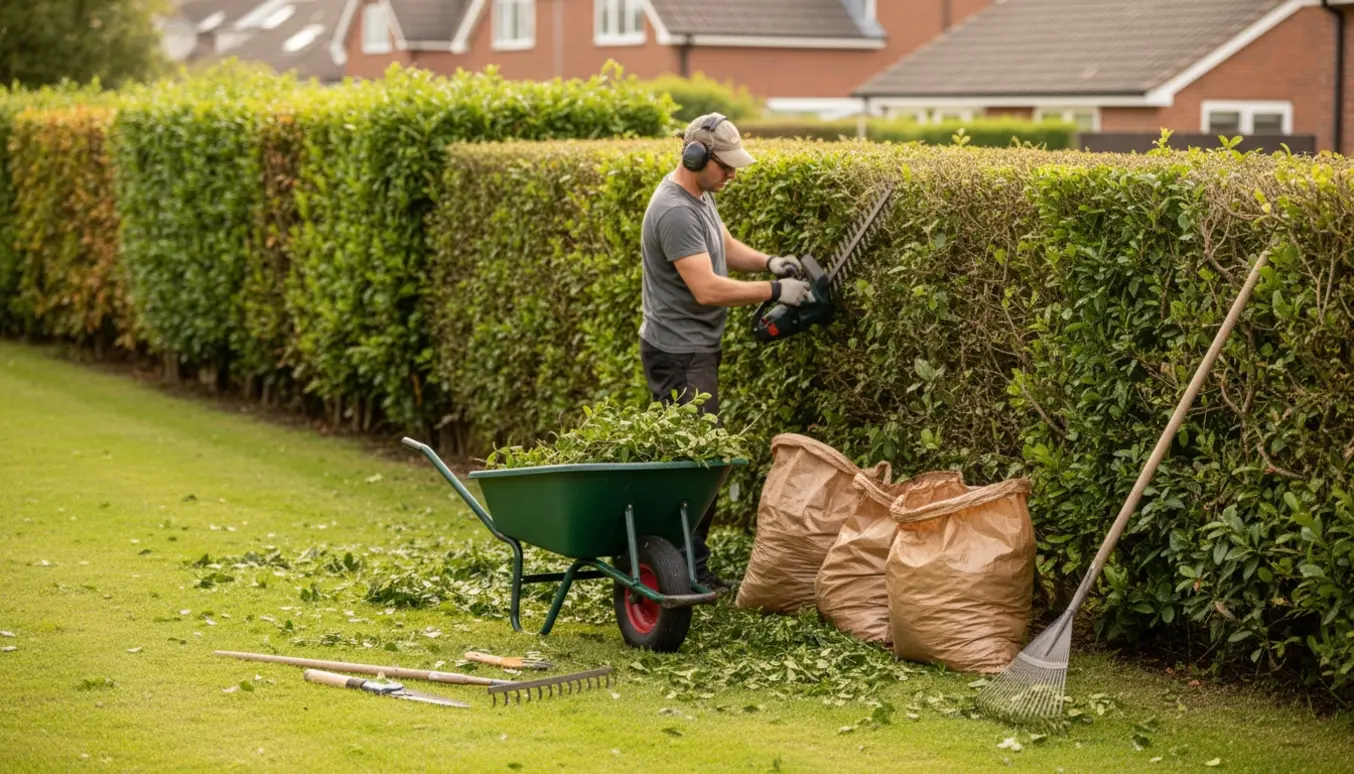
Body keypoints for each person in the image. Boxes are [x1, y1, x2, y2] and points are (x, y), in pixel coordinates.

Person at [638, 113, 812, 590]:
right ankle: (686, 568)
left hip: (692, 349)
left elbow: (722, 244)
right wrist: (775, 290)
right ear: (696, 157)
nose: (732, 174)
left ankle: (682, 560)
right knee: (696, 464)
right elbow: (708, 289)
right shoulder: (674, 210)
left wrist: (768, 262)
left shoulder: (700, 197)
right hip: (678, 355)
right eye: (726, 165)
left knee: (696, 458)